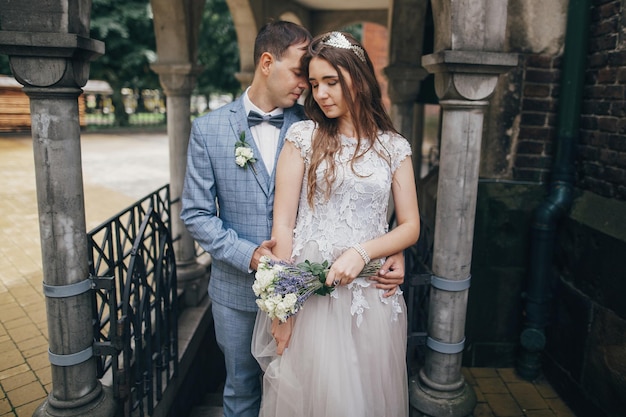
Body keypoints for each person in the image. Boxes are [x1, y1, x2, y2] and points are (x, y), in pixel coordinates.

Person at [181, 21, 406, 417]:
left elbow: (365, 201)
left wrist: (389, 250)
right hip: (237, 289)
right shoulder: (209, 129)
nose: (311, 87)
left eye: (322, 79)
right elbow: (197, 214)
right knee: (241, 388)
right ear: (267, 62)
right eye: (302, 73)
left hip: (312, 293)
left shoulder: (310, 124)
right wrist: (254, 257)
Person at [251, 31, 421, 417]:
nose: (321, 93)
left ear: (357, 79)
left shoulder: (394, 146)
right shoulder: (303, 137)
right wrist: (282, 311)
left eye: (331, 81)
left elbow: (410, 225)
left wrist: (364, 253)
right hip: (312, 302)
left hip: (371, 299)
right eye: (314, 83)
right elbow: (283, 228)